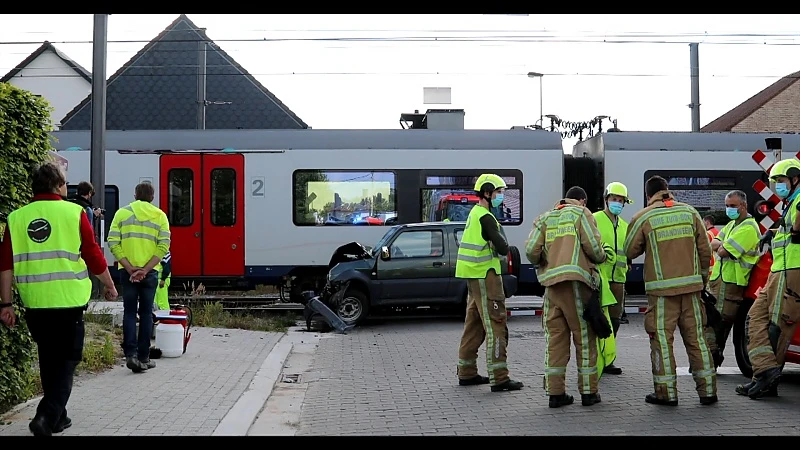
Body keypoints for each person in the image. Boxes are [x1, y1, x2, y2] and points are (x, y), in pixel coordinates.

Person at [0, 162, 118, 436]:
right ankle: (45, 416)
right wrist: (110, 285)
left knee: (49, 358)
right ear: (58, 186)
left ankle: (59, 417)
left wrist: (5, 304)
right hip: (68, 302)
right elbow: (92, 255)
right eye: (65, 182)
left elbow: (5, 266)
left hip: (35, 303)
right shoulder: (74, 213)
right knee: (67, 362)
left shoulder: (16, 218)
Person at [624, 175, 717, 406]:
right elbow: (706, 252)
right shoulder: (690, 213)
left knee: (662, 343)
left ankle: (666, 393)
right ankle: (708, 392)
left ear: (648, 196)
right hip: (692, 291)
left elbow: (629, 250)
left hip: (662, 293)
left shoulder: (644, 217)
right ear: (667, 190)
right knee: (697, 341)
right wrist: (701, 281)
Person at [526, 186, 608, 408]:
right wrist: (601, 257)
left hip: (551, 286)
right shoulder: (581, 213)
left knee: (555, 340)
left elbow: (531, 251)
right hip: (577, 284)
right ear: (581, 200)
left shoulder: (544, 218)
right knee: (584, 338)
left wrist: (546, 261)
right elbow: (594, 248)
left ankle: (555, 393)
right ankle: (589, 392)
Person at [455, 173, 524, 393]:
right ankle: (500, 377)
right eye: (499, 192)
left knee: (474, 324)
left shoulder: (474, 214)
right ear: (487, 192)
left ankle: (466, 372)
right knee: (496, 323)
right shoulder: (486, 217)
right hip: (486, 275)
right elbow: (503, 248)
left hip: (472, 275)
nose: (501, 196)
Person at [738, 159, 800, 399]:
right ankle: (764, 372)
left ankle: (766, 382)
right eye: (775, 183)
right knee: (755, 318)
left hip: (792, 269)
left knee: (778, 326)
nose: (777, 187)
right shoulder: (791, 202)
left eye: (781, 181)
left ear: (795, 179)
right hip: (779, 268)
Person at [108, 182, 170, 374]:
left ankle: (130, 355)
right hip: (150, 273)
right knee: (145, 314)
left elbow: (112, 241)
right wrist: (145, 269)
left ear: (135, 195)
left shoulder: (122, 214)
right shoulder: (160, 216)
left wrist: (129, 267)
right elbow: (163, 246)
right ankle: (144, 357)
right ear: (152, 196)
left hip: (127, 273)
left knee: (129, 312)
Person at [704, 190, 761, 370]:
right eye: (727, 206)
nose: (729, 209)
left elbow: (722, 251)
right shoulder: (732, 225)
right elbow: (712, 244)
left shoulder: (749, 228)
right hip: (720, 280)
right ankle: (711, 358)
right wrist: (722, 245)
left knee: (718, 323)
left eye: (733, 206)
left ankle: (712, 359)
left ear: (743, 206)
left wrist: (722, 245)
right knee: (713, 320)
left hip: (732, 283)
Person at [592, 181, 632, 375]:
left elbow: (628, 252)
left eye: (621, 200)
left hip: (618, 279)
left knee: (615, 320)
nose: (617, 203)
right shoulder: (594, 219)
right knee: (598, 320)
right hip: (600, 280)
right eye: (614, 199)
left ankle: (609, 359)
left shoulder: (625, 226)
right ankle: (596, 359)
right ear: (606, 200)